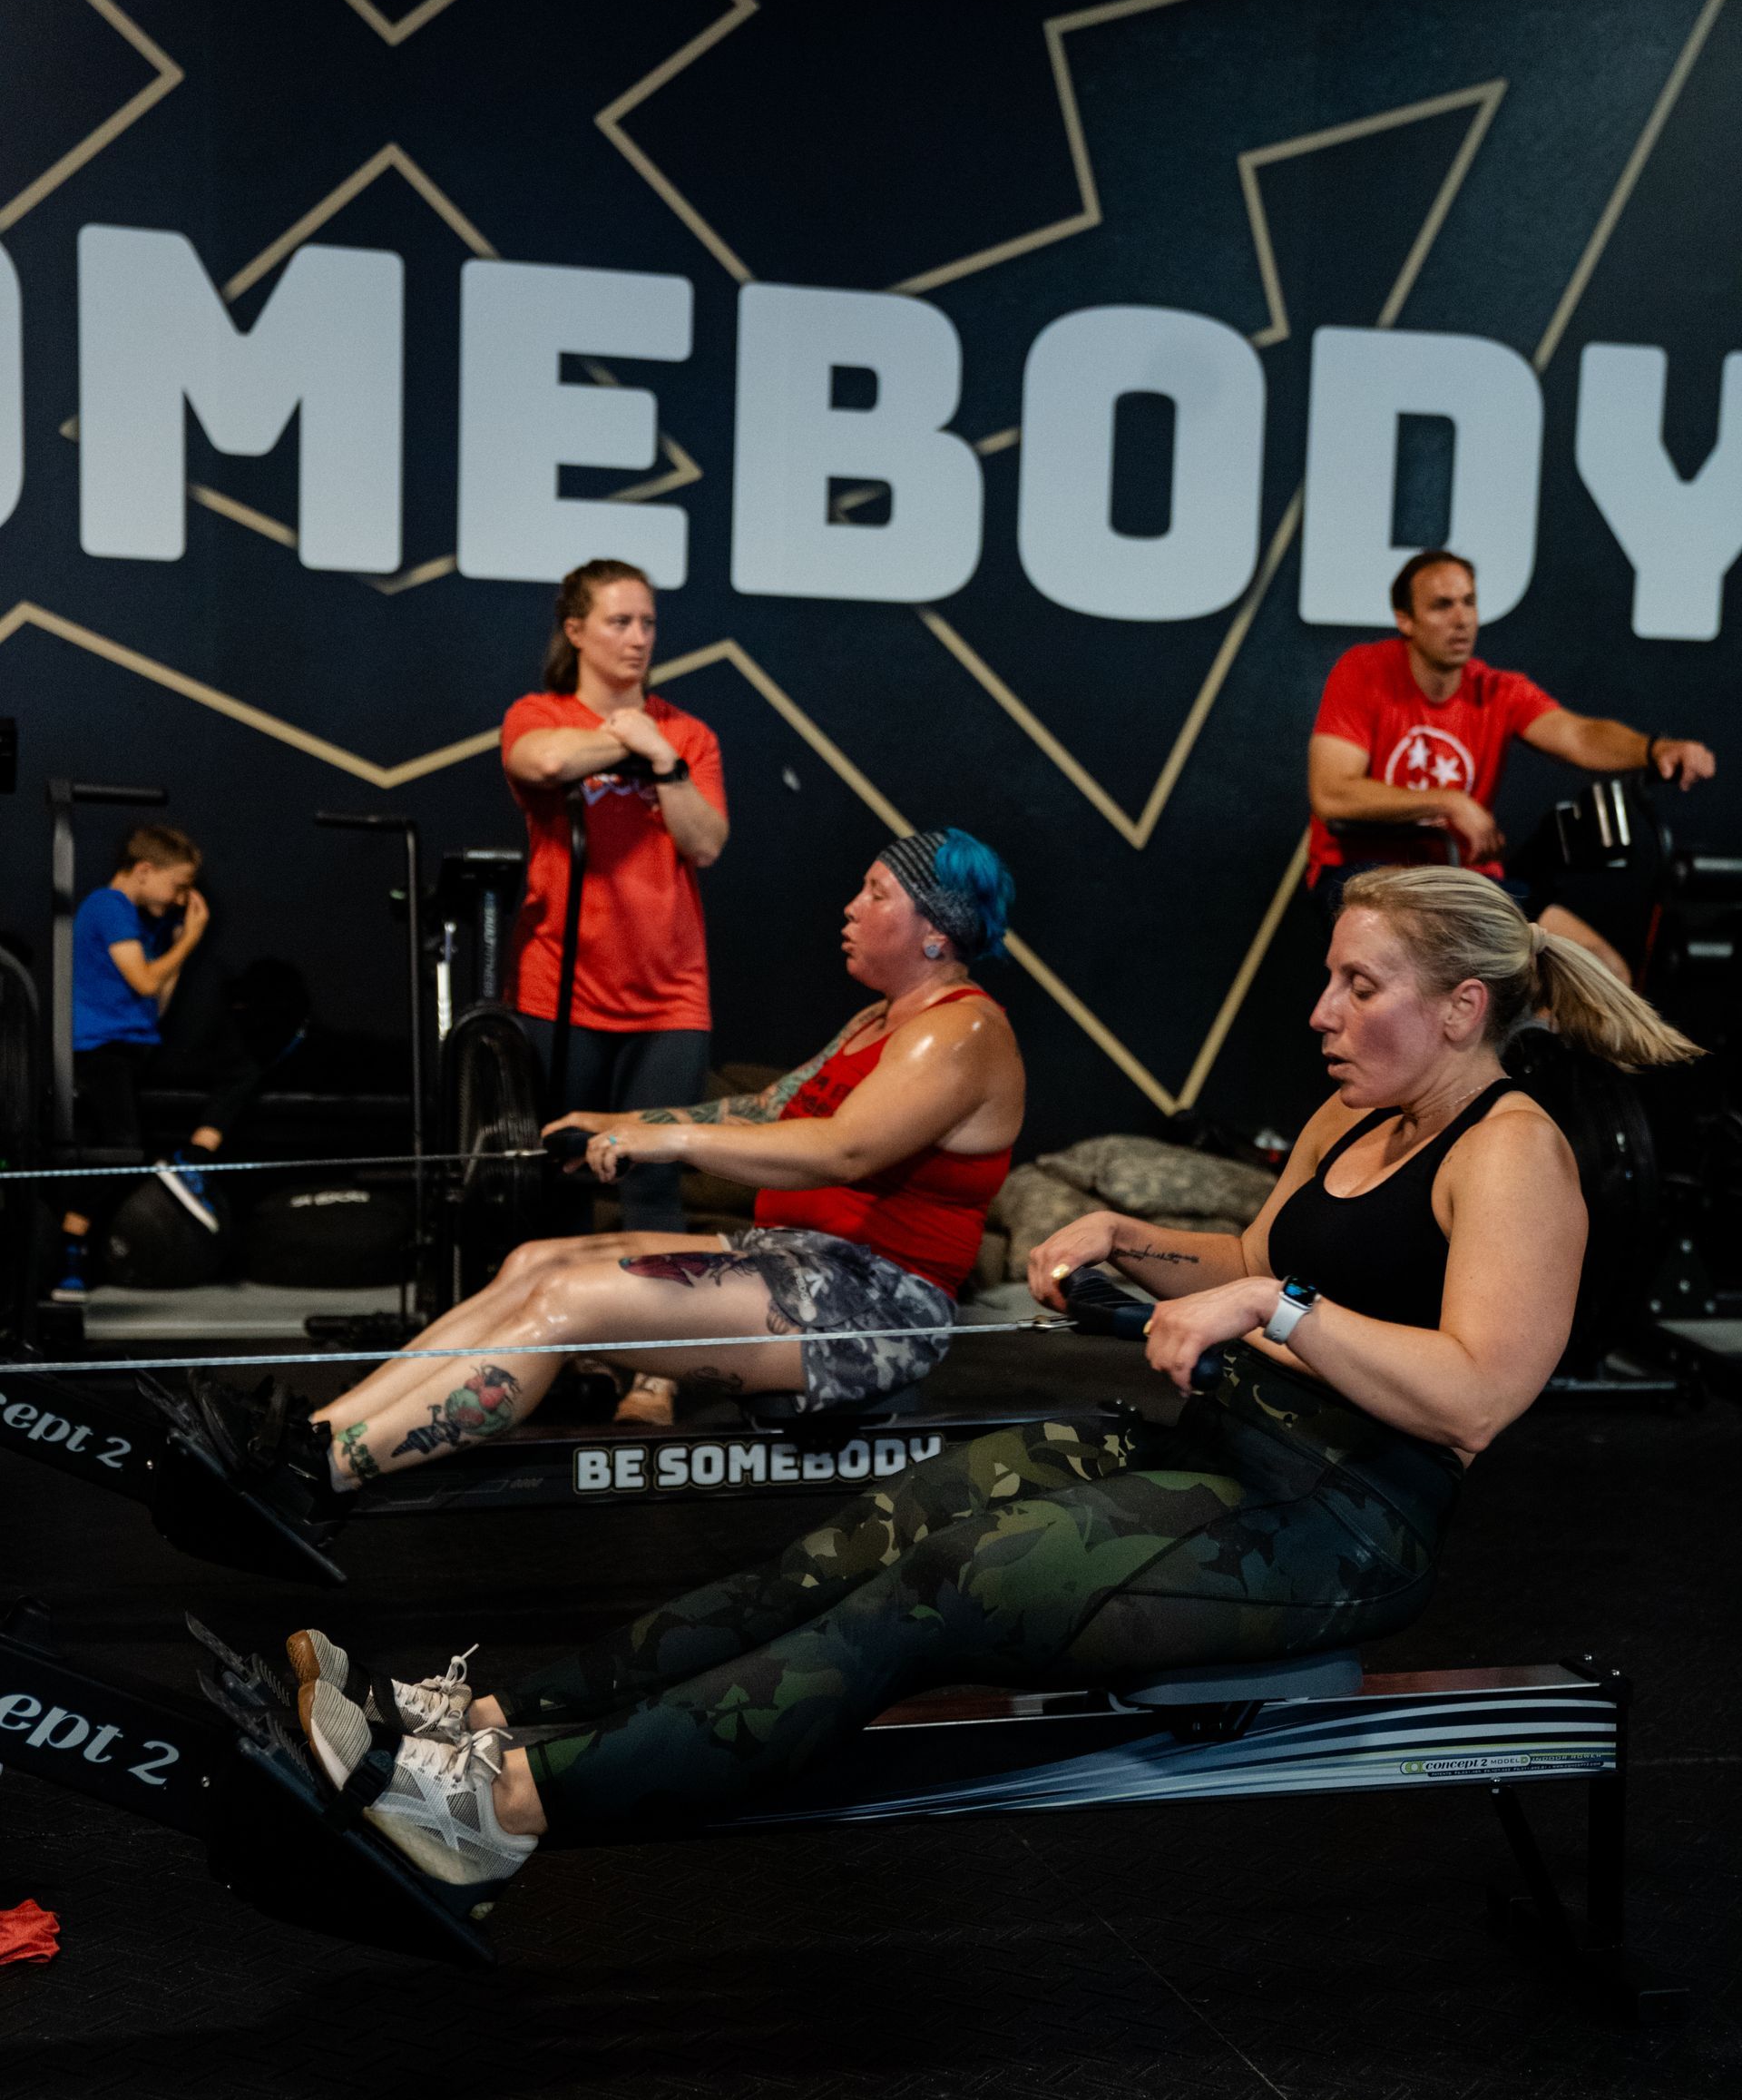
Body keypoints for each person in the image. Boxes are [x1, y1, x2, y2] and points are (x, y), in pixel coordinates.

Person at [281, 866, 1699, 1899]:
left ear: (1463, 1007)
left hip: (1345, 1527)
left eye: (1359, 984)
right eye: (1329, 975)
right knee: (871, 1533)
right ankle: (497, 1716)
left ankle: (507, 1812)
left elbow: (1470, 1395)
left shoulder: (1516, 1153)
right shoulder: (1356, 1110)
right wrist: (1140, 1244)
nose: (1323, 1008)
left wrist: (1283, 1303)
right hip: (1226, 1452)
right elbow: (1254, 1253)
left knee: (938, 1593)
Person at [167, 828, 1023, 1528]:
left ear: (935, 929)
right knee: (536, 1261)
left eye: (876, 892)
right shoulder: (882, 1019)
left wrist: (673, 1142)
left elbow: (843, 1151)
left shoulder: (958, 1032)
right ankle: (305, 1438)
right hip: (802, 1263)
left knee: (566, 1311)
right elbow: (768, 1109)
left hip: (872, 1307)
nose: (851, 905)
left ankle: (322, 1480)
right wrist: (620, 1127)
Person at [1306, 551, 1718, 977]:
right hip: (1365, 878)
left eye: (1469, 601)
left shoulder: (1497, 689)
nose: (1462, 619)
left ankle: (1524, 1043)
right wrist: (1448, 802)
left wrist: (1654, 749)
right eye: (1442, 606)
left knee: (1604, 973)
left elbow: (1578, 734)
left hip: (1466, 884)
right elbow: (1332, 791)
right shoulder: (1364, 671)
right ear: (1405, 620)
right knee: (1448, 970)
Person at [502, 556, 729, 1237]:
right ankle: (558, 1339)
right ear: (576, 629)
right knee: (562, 1169)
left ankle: (655, 1341)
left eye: (648, 623)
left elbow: (706, 841)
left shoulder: (685, 736)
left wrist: (661, 759)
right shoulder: (538, 714)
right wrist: (619, 736)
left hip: (668, 998)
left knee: (652, 1174)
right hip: (562, 989)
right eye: (619, 622)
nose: (638, 638)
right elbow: (540, 762)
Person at [54, 824, 238, 1301]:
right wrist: (191, 938)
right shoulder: (109, 906)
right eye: (178, 886)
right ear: (143, 870)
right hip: (101, 1052)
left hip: (138, 1047)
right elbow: (143, 981)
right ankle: (71, 1244)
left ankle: (190, 1162)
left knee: (239, 1068)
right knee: (119, 1147)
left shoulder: (140, 923)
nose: (181, 899)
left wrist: (173, 942)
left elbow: (154, 998)